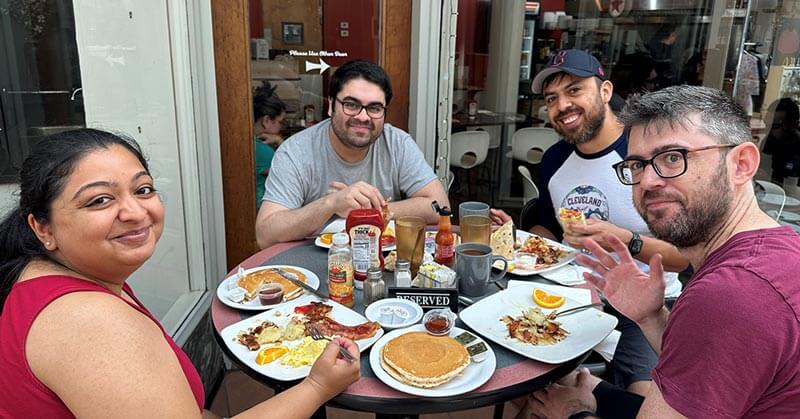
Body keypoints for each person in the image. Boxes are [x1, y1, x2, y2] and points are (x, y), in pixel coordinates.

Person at [0, 129, 360, 418]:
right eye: (100, 200)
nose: (135, 212)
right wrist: (317, 388)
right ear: (42, 228)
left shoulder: (46, 278)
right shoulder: (87, 323)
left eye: (143, 190)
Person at [529, 86, 800, 418]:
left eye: (673, 157)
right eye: (638, 166)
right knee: (562, 382)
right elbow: (702, 365)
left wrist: (576, 415)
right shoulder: (779, 247)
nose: (648, 181)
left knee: (544, 400)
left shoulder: (731, 295)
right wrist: (651, 317)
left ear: (741, 164)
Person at [491, 49, 689, 394]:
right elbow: (549, 230)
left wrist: (625, 239)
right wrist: (519, 239)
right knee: (516, 378)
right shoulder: (554, 158)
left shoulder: (644, 152)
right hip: (571, 298)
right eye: (552, 98)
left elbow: (684, 256)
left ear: (606, 91)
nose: (562, 106)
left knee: (645, 400)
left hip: (646, 309)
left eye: (574, 90)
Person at [256, 60, 449, 248]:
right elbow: (265, 235)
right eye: (351, 104)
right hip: (315, 266)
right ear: (331, 105)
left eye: (374, 108)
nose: (363, 117)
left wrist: (368, 212)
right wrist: (331, 204)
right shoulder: (295, 152)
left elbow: (439, 205)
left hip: (382, 265)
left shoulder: (398, 144)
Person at [253, 81, 287, 207]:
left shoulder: (252, 144)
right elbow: (290, 174)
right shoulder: (263, 151)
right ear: (266, 121)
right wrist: (279, 141)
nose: (282, 126)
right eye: (280, 122)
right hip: (261, 210)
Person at [761, 97, 800, 184]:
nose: (769, 131)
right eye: (767, 125)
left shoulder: (797, 149)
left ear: (792, 125)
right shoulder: (769, 141)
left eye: (775, 126)